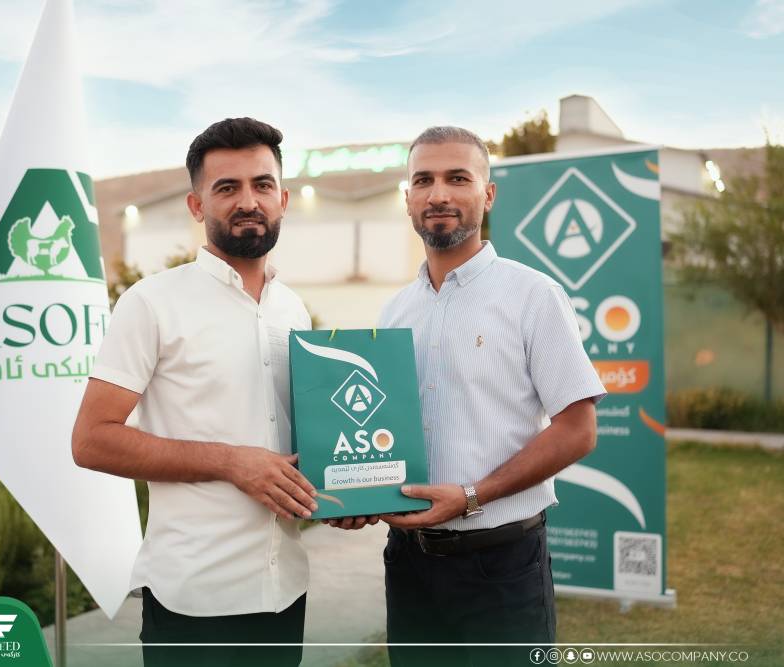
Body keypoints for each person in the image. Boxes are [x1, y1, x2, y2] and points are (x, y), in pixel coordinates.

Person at [71, 117, 317, 667]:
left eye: (262, 185)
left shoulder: (292, 310)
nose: (248, 201)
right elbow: (91, 440)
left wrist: (349, 491)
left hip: (285, 591)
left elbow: (305, 441)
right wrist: (231, 462)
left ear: (283, 199)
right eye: (227, 188)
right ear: (196, 205)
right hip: (193, 601)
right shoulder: (151, 303)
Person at [372, 126, 605, 667]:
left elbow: (578, 430)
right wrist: (359, 493)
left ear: (488, 194)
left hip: (501, 566)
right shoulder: (395, 311)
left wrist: (472, 495)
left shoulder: (533, 296)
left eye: (458, 178)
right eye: (423, 180)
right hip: (408, 565)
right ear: (408, 198)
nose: (438, 194)